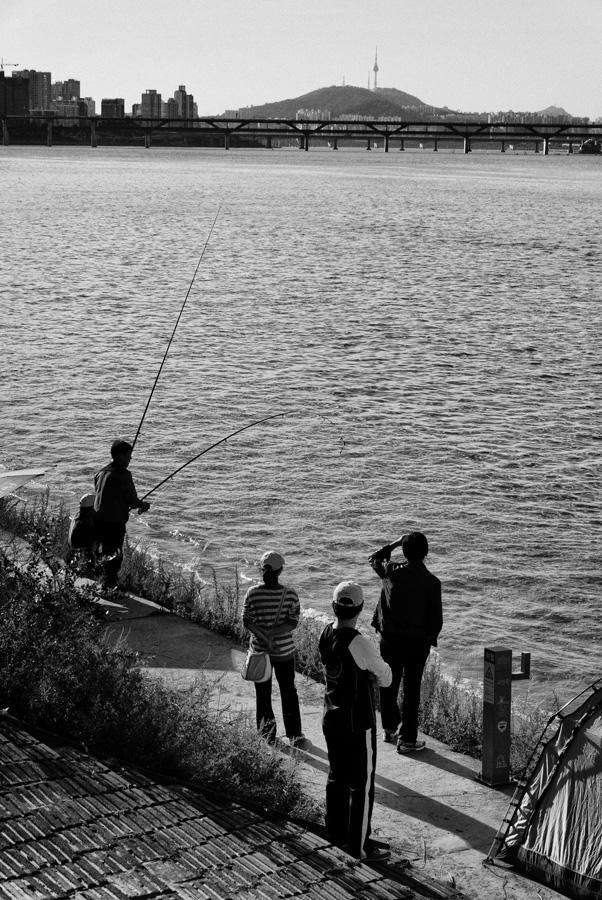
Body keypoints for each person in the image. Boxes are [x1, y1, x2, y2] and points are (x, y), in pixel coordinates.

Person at [319, 581, 392, 862]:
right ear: (361, 608)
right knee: (361, 786)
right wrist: (371, 676)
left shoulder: (326, 633)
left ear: (333, 606)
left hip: (331, 715)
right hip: (357, 722)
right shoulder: (359, 642)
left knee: (336, 778)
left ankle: (335, 834)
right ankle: (359, 848)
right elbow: (385, 676)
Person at [369, 531, 442, 754]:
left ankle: (389, 728)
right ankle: (407, 739)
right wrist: (427, 640)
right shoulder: (432, 582)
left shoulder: (391, 572)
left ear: (404, 551)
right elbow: (436, 621)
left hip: (390, 640)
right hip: (416, 644)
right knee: (412, 691)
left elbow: (374, 558)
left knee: (388, 682)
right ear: (426, 552)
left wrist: (395, 543)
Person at [242, 550, 304, 747]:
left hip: (260, 652)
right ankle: (294, 734)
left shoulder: (252, 593)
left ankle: (267, 735)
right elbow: (292, 624)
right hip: (284, 652)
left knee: (263, 694)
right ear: (281, 571)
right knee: (288, 692)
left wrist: (264, 637)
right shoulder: (291, 595)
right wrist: (273, 635)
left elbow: (247, 622)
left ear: (261, 569)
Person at [94, 440, 150, 591]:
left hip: (98, 520)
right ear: (119, 456)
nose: (130, 459)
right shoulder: (124, 475)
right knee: (115, 555)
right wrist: (143, 505)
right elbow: (132, 499)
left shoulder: (100, 472)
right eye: (128, 456)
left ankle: (104, 582)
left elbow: (107, 496)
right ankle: (110, 586)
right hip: (113, 523)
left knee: (104, 553)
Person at [67, 493, 98, 571]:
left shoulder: (76, 517)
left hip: (73, 558)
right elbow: (95, 545)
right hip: (81, 563)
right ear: (91, 509)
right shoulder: (85, 525)